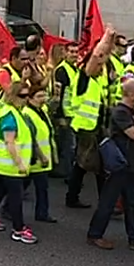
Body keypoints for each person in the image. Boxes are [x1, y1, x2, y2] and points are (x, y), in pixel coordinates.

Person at [85, 79, 134, 251]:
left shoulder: (132, 111)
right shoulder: (120, 112)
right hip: (119, 166)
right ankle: (95, 234)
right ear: (132, 94)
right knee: (108, 201)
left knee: (132, 203)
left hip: (130, 165)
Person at [0, 82, 38, 245]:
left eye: (27, 96)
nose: (26, 100)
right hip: (9, 165)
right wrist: (20, 163)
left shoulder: (15, 112)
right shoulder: (10, 116)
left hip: (3, 164)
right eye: (22, 96)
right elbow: (9, 142)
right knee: (15, 196)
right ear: (13, 96)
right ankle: (18, 230)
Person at [65, 28, 116, 209]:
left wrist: (110, 44)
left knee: (87, 165)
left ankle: (74, 197)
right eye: (99, 65)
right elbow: (96, 57)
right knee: (93, 166)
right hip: (86, 128)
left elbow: (103, 57)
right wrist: (106, 37)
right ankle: (103, 202)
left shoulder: (97, 80)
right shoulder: (83, 77)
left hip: (97, 127)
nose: (101, 67)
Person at [22, 85, 56, 223]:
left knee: (42, 188)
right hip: (33, 158)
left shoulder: (42, 111)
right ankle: (7, 208)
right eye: (39, 97)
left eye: (44, 96)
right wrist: (41, 156)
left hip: (41, 158)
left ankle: (42, 213)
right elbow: (31, 138)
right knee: (22, 186)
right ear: (30, 99)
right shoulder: (27, 114)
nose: (43, 99)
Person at [51, 42, 78, 178]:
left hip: (73, 114)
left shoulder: (74, 69)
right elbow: (58, 95)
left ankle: (66, 171)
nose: (74, 54)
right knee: (68, 146)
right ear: (65, 53)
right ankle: (67, 174)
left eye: (76, 52)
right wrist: (59, 114)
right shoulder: (62, 70)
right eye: (71, 52)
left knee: (68, 145)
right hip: (65, 114)